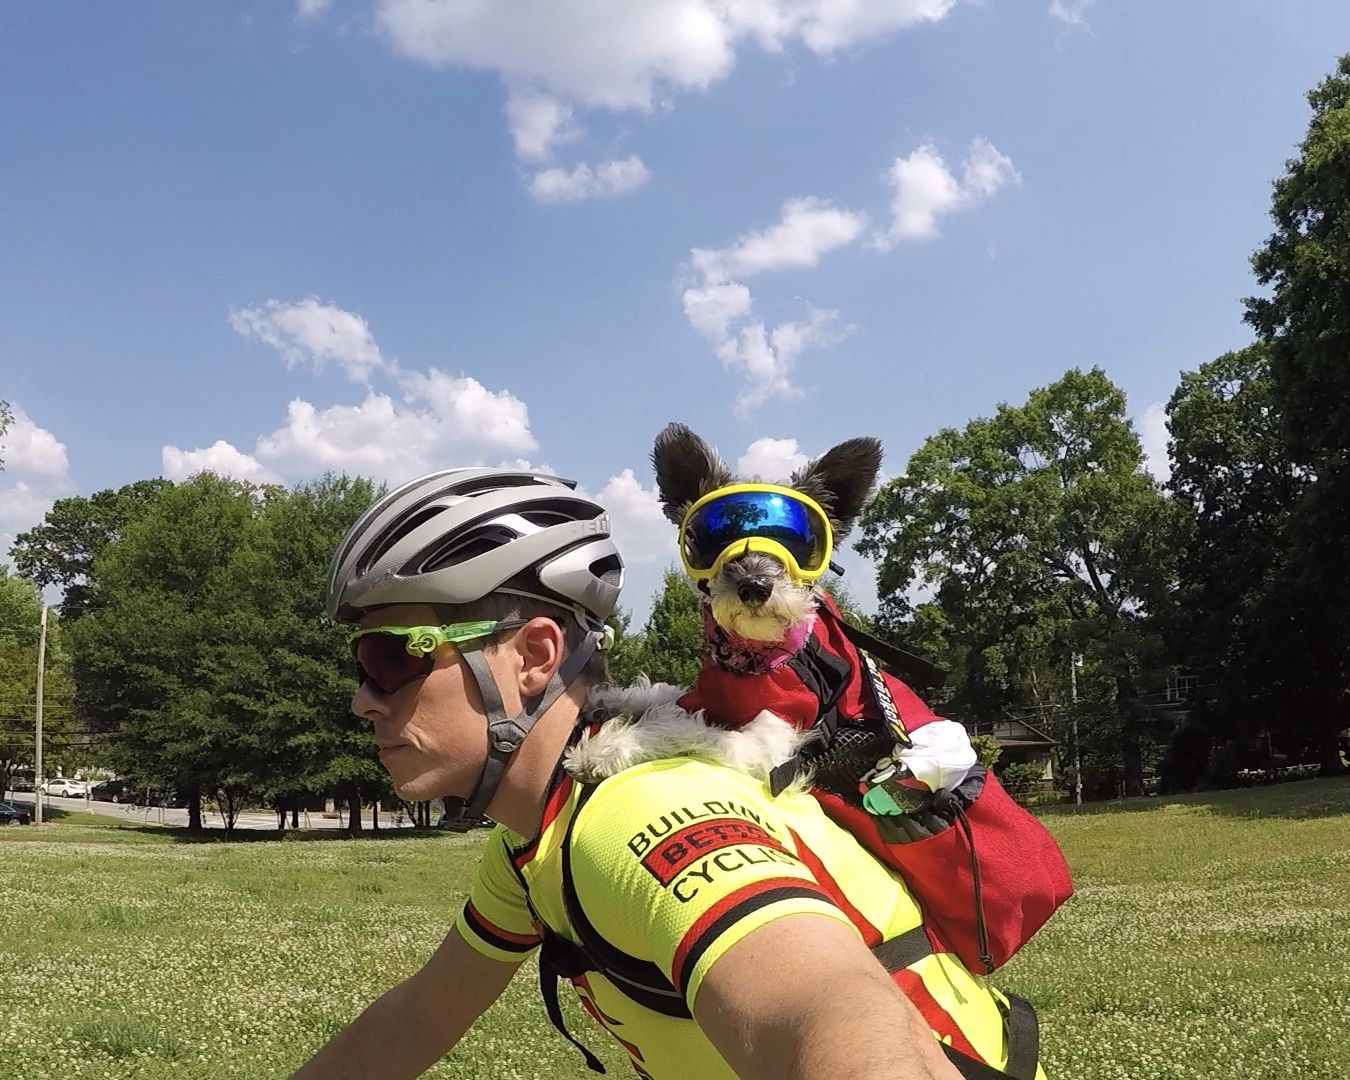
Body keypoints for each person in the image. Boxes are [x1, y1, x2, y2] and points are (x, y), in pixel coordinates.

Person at [296, 467, 1042, 1080]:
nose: (363, 698)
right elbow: (417, 1019)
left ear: (532, 657)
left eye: (392, 655)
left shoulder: (638, 814)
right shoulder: (533, 846)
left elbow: (834, 1012)